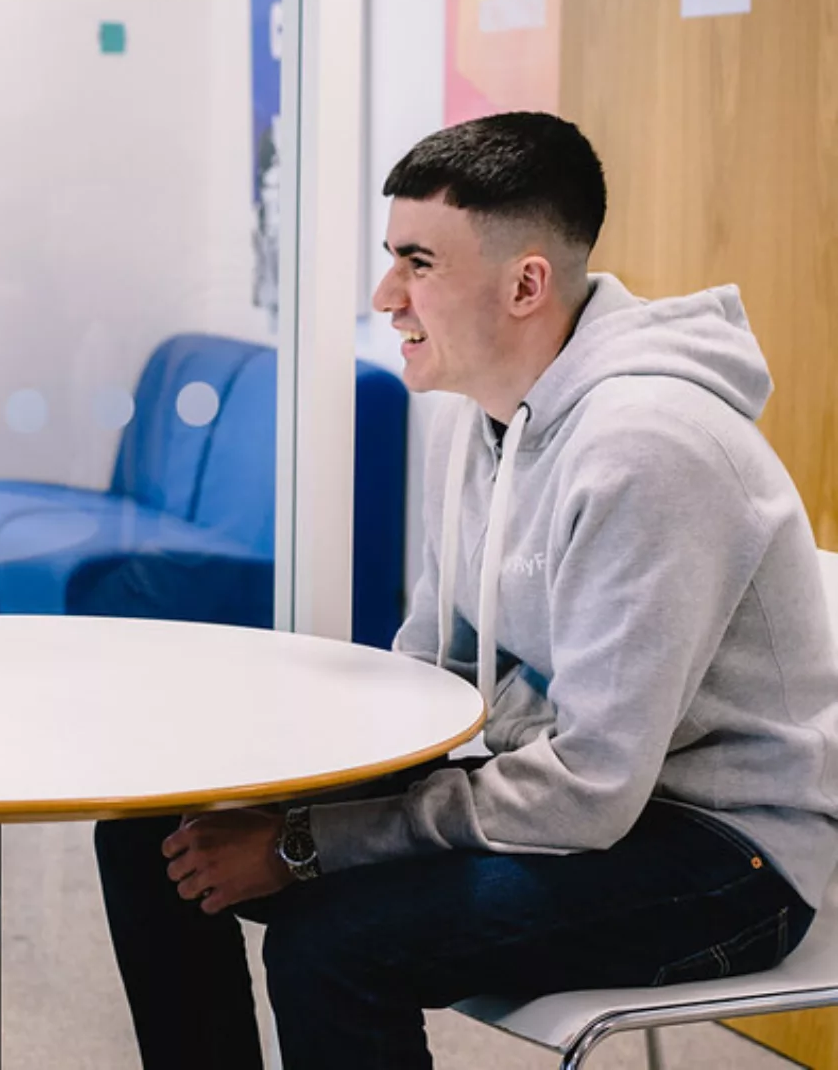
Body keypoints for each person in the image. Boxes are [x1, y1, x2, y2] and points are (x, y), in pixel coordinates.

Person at [94, 111, 838, 1069]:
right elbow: (433, 675)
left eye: (418, 263)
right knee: (156, 844)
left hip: (722, 853)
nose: (384, 296)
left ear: (526, 282)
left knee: (331, 948)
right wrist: (279, 778)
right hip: (565, 791)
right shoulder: (480, 420)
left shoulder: (652, 452)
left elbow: (591, 792)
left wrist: (303, 844)